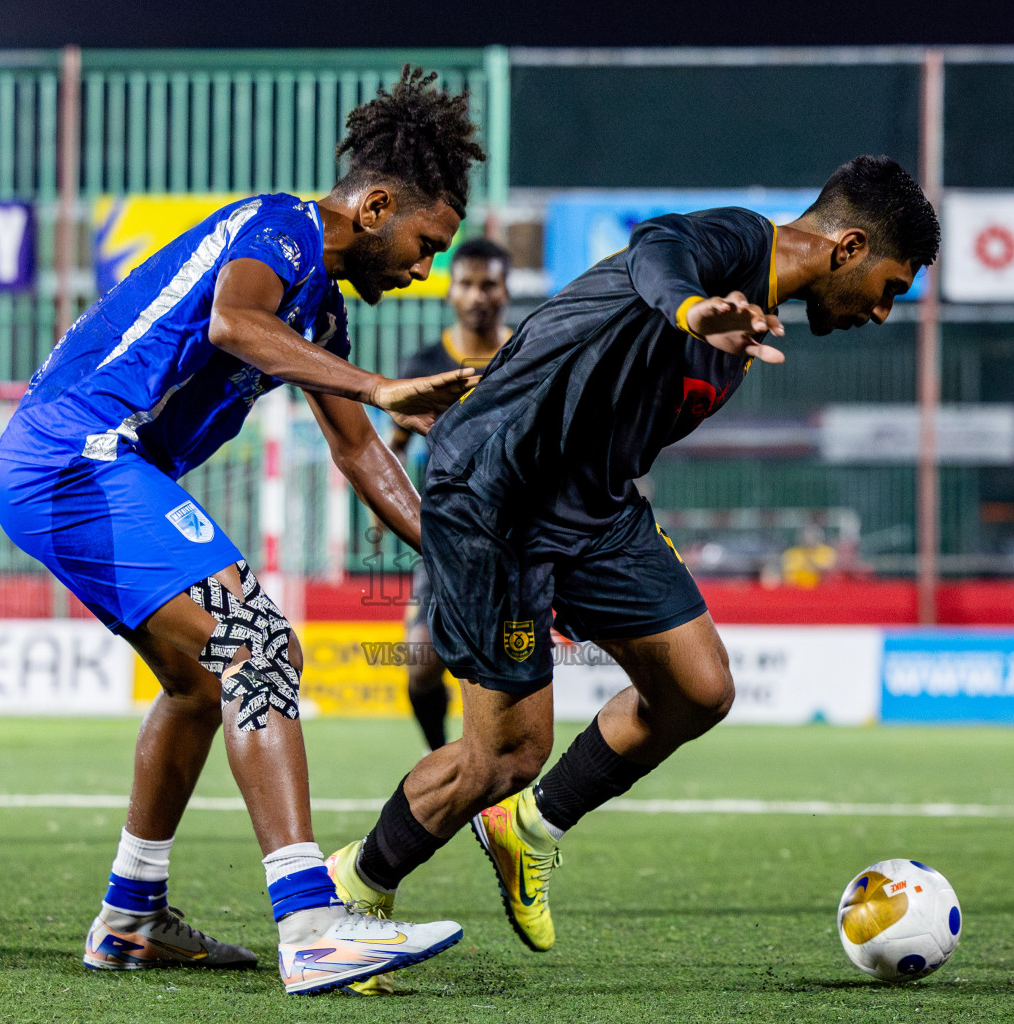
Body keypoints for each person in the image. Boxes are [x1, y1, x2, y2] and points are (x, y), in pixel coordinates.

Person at [327, 155, 940, 958]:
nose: (884, 312)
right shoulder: (733, 245)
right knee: (506, 754)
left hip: (595, 508)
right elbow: (658, 248)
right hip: (499, 498)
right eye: (890, 288)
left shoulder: (755, 317)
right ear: (849, 247)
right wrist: (692, 310)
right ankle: (355, 887)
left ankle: (530, 828)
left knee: (698, 689)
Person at [0, 67, 484, 996]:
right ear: (376, 207)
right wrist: (379, 385)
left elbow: (360, 453)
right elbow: (233, 322)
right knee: (258, 644)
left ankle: (131, 918)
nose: (426, 270)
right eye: (426, 245)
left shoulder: (322, 311)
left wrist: (464, 557)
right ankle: (312, 926)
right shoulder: (279, 228)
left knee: (199, 682)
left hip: (84, 469)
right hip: (72, 456)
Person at [387, 237, 513, 751]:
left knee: (499, 669)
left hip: (517, 535)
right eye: (467, 283)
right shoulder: (423, 363)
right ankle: (439, 756)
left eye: (489, 284)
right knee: (420, 661)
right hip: (447, 533)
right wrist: (391, 510)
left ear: (506, 291)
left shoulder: (527, 354)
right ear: (450, 292)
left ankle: (492, 766)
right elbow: (392, 448)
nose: (477, 295)